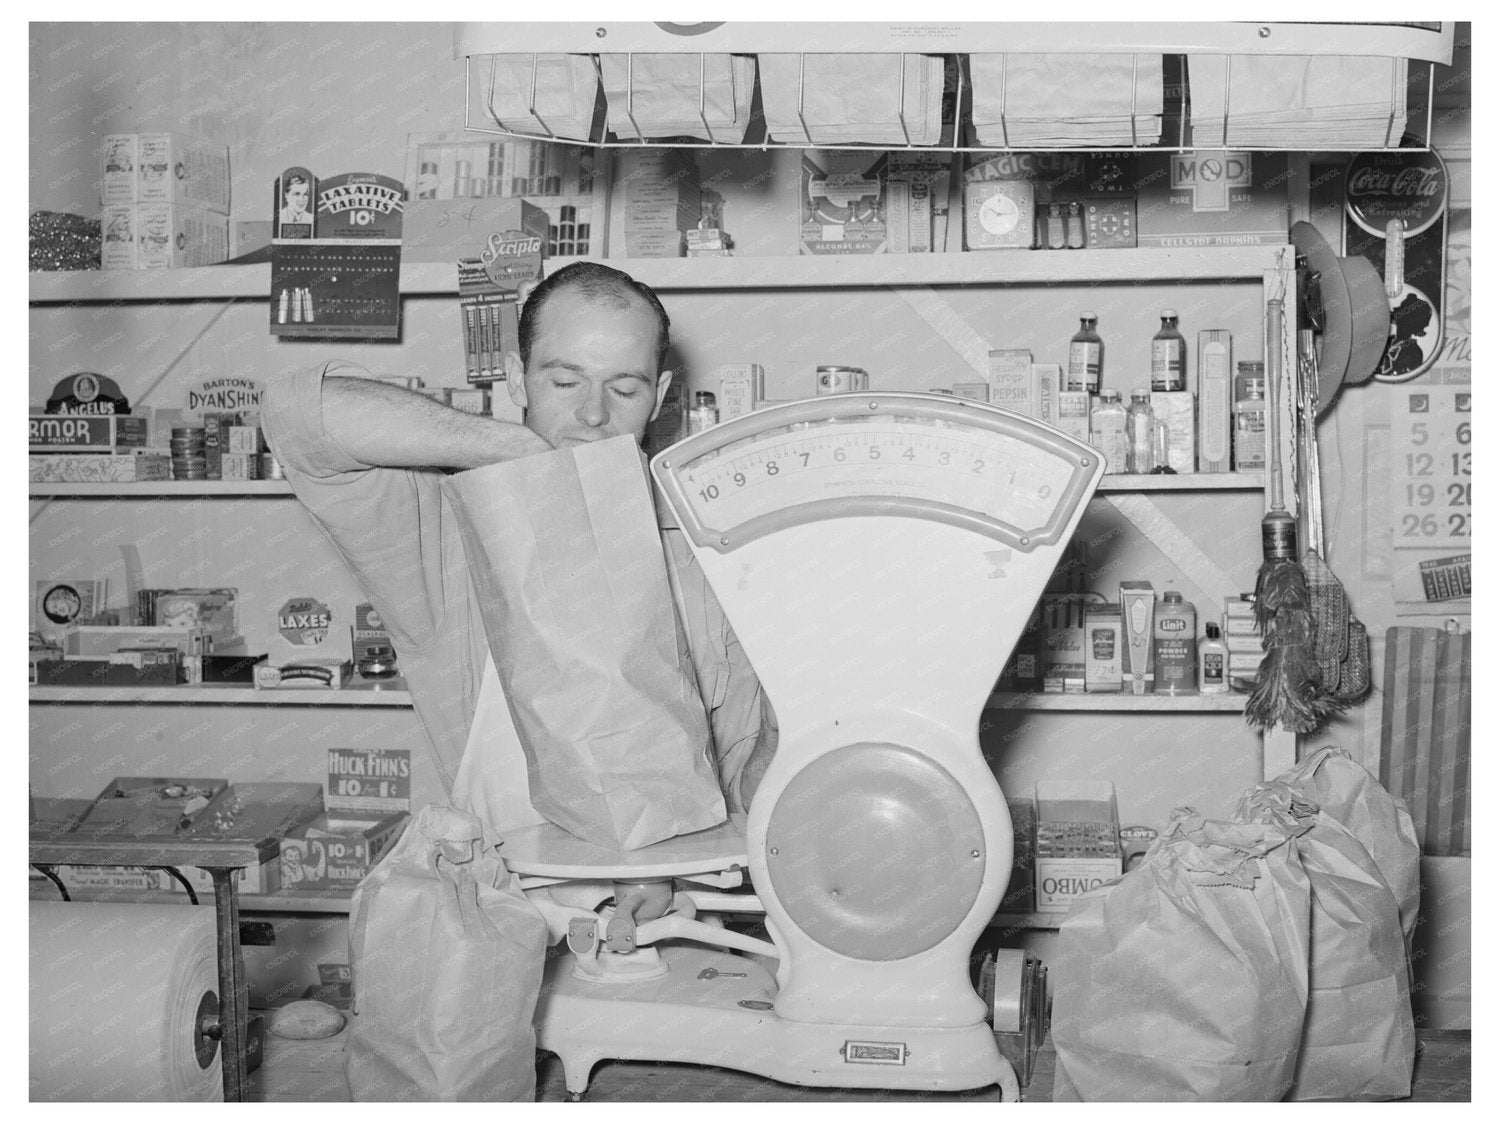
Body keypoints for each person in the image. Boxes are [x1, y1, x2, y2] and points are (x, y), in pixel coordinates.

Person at [261, 261, 776, 823]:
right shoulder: (443, 535)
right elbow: (297, 416)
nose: (593, 414)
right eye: (564, 382)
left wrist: (785, 728)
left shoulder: (708, 551)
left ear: (659, 396)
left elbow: (747, 794)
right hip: (511, 874)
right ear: (515, 377)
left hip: (680, 869)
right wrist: (520, 452)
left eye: (625, 388)